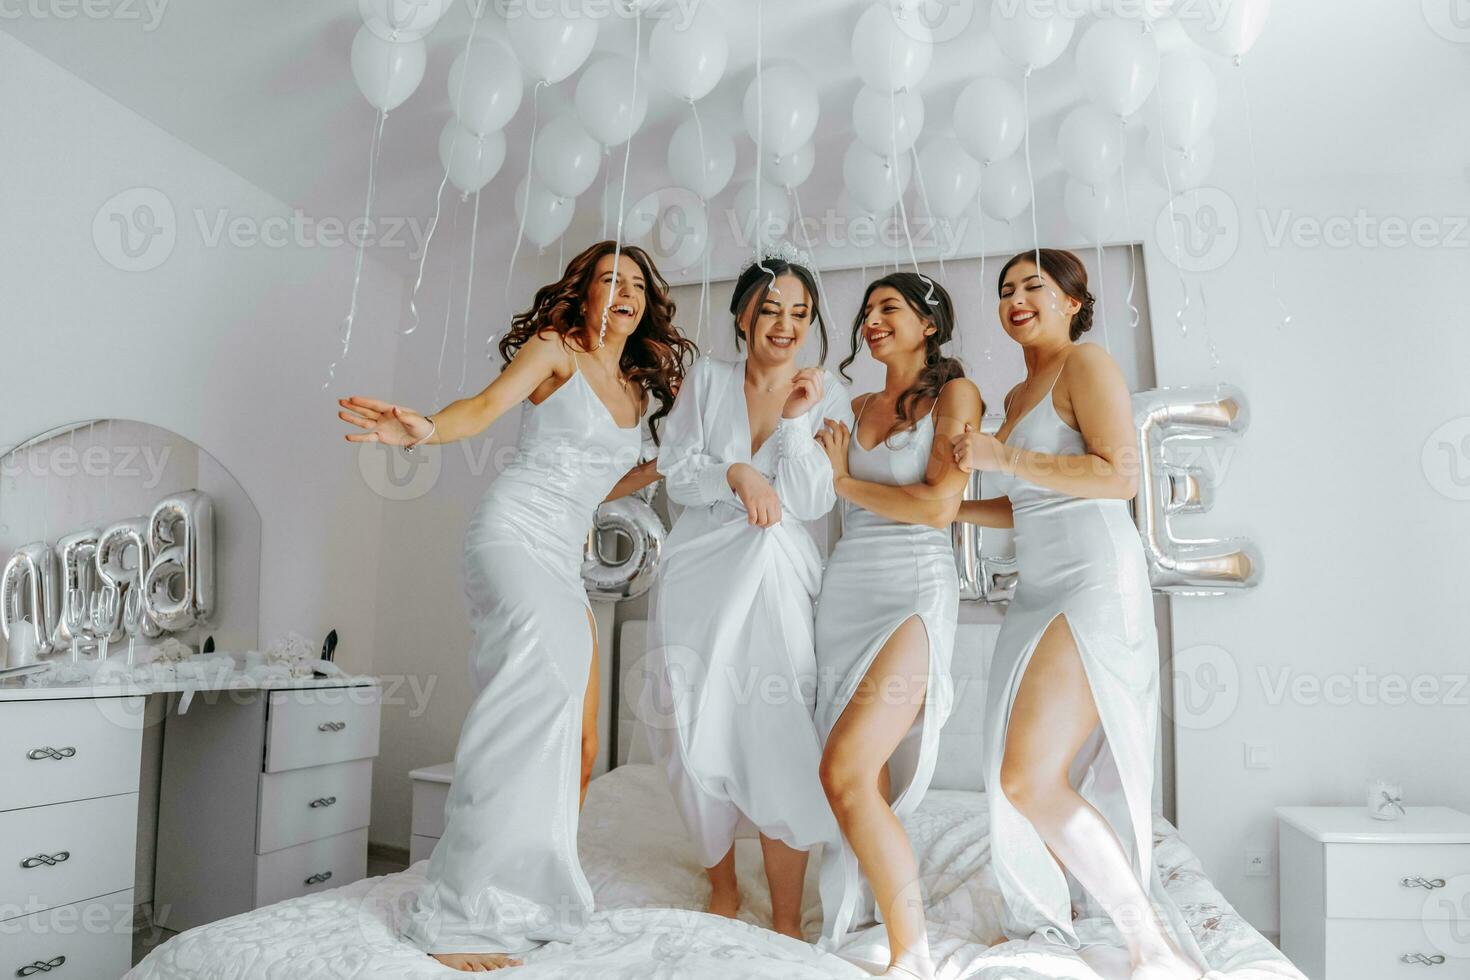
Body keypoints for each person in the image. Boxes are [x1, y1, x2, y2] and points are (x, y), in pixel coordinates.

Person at [337, 241, 694, 972]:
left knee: (578, 738)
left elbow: (599, 486)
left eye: (634, 283)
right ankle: (458, 912)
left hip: (566, 554)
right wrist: (426, 429)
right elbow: (485, 406)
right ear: (584, 295)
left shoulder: (637, 391)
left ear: (645, 303)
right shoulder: (554, 349)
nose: (622, 291)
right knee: (521, 712)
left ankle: (530, 896)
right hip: (512, 534)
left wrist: (666, 462)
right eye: (607, 279)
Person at [953, 248, 1206, 980]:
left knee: (1029, 775)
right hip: (1038, 585)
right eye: (1004, 291)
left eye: (1033, 286)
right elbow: (1025, 498)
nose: (1015, 299)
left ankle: (1148, 943)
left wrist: (1002, 458)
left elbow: (1117, 473)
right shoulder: (1016, 396)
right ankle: (1060, 907)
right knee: (1013, 773)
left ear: (1072, 300)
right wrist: (949, 506)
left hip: (1094, 579)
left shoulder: (1085, 364)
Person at [644, 249, 850, 940]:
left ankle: (788, 917)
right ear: (743, 315)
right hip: (699, 575)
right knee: (691, 720)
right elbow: (675, 473)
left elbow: (815, 499)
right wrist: (736, 472)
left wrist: (794, 422)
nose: (785, 324)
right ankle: (723, 885)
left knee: (777, 730)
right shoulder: (708, 378)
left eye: (801, 313)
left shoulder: (826, 392)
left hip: (780, 580)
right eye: (771, 309)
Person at [812, 272, 981, 979]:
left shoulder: (955, 396)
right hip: (846, 586)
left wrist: (844, 480)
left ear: (930, 324)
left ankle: (913, 957)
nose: (872, 321)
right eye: (868, 311)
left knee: (842, 767)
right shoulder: (854, 406)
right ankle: (872, 916)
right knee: (860, 772)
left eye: (891, 309)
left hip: (912, 586)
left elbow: (941, 504)